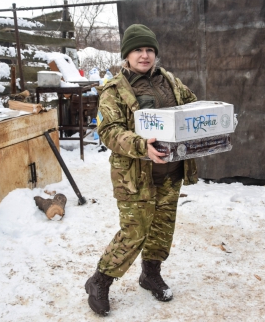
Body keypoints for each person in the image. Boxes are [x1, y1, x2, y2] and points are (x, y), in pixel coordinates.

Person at [85, 24, 198, 316]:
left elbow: (192, 107)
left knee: (162, 228)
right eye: (138, 50)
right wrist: (140, 145)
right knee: (135, 230)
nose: (145, 55)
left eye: (149, 50)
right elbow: (108, 131)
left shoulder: (170, 81)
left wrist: (211, 120)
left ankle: (150, 274)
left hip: (170, 172)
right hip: (135, 177)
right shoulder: (115, 89)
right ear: (127, 55)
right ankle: (100, 280)